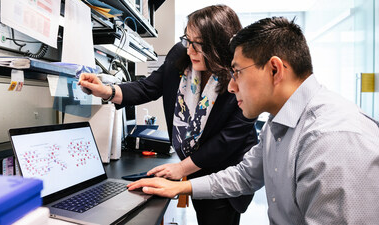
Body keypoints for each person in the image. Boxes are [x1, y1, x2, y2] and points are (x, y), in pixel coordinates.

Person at [127, 17, 379, 224]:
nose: (232, 86)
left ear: (274, 70)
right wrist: (180, 188)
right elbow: (245, 176)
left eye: (236, 72)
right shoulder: (279, 122)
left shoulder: (333, 140)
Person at [79, 5, 258, 225]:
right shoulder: (181, 54)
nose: (189, 50)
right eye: (187, 40)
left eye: (197, 44)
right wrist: (107, 91)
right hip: (194, 165)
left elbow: (226, 142)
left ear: (218, 46)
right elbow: (149, 87)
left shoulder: (238, 79)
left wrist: (181, 168)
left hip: (224, 172)